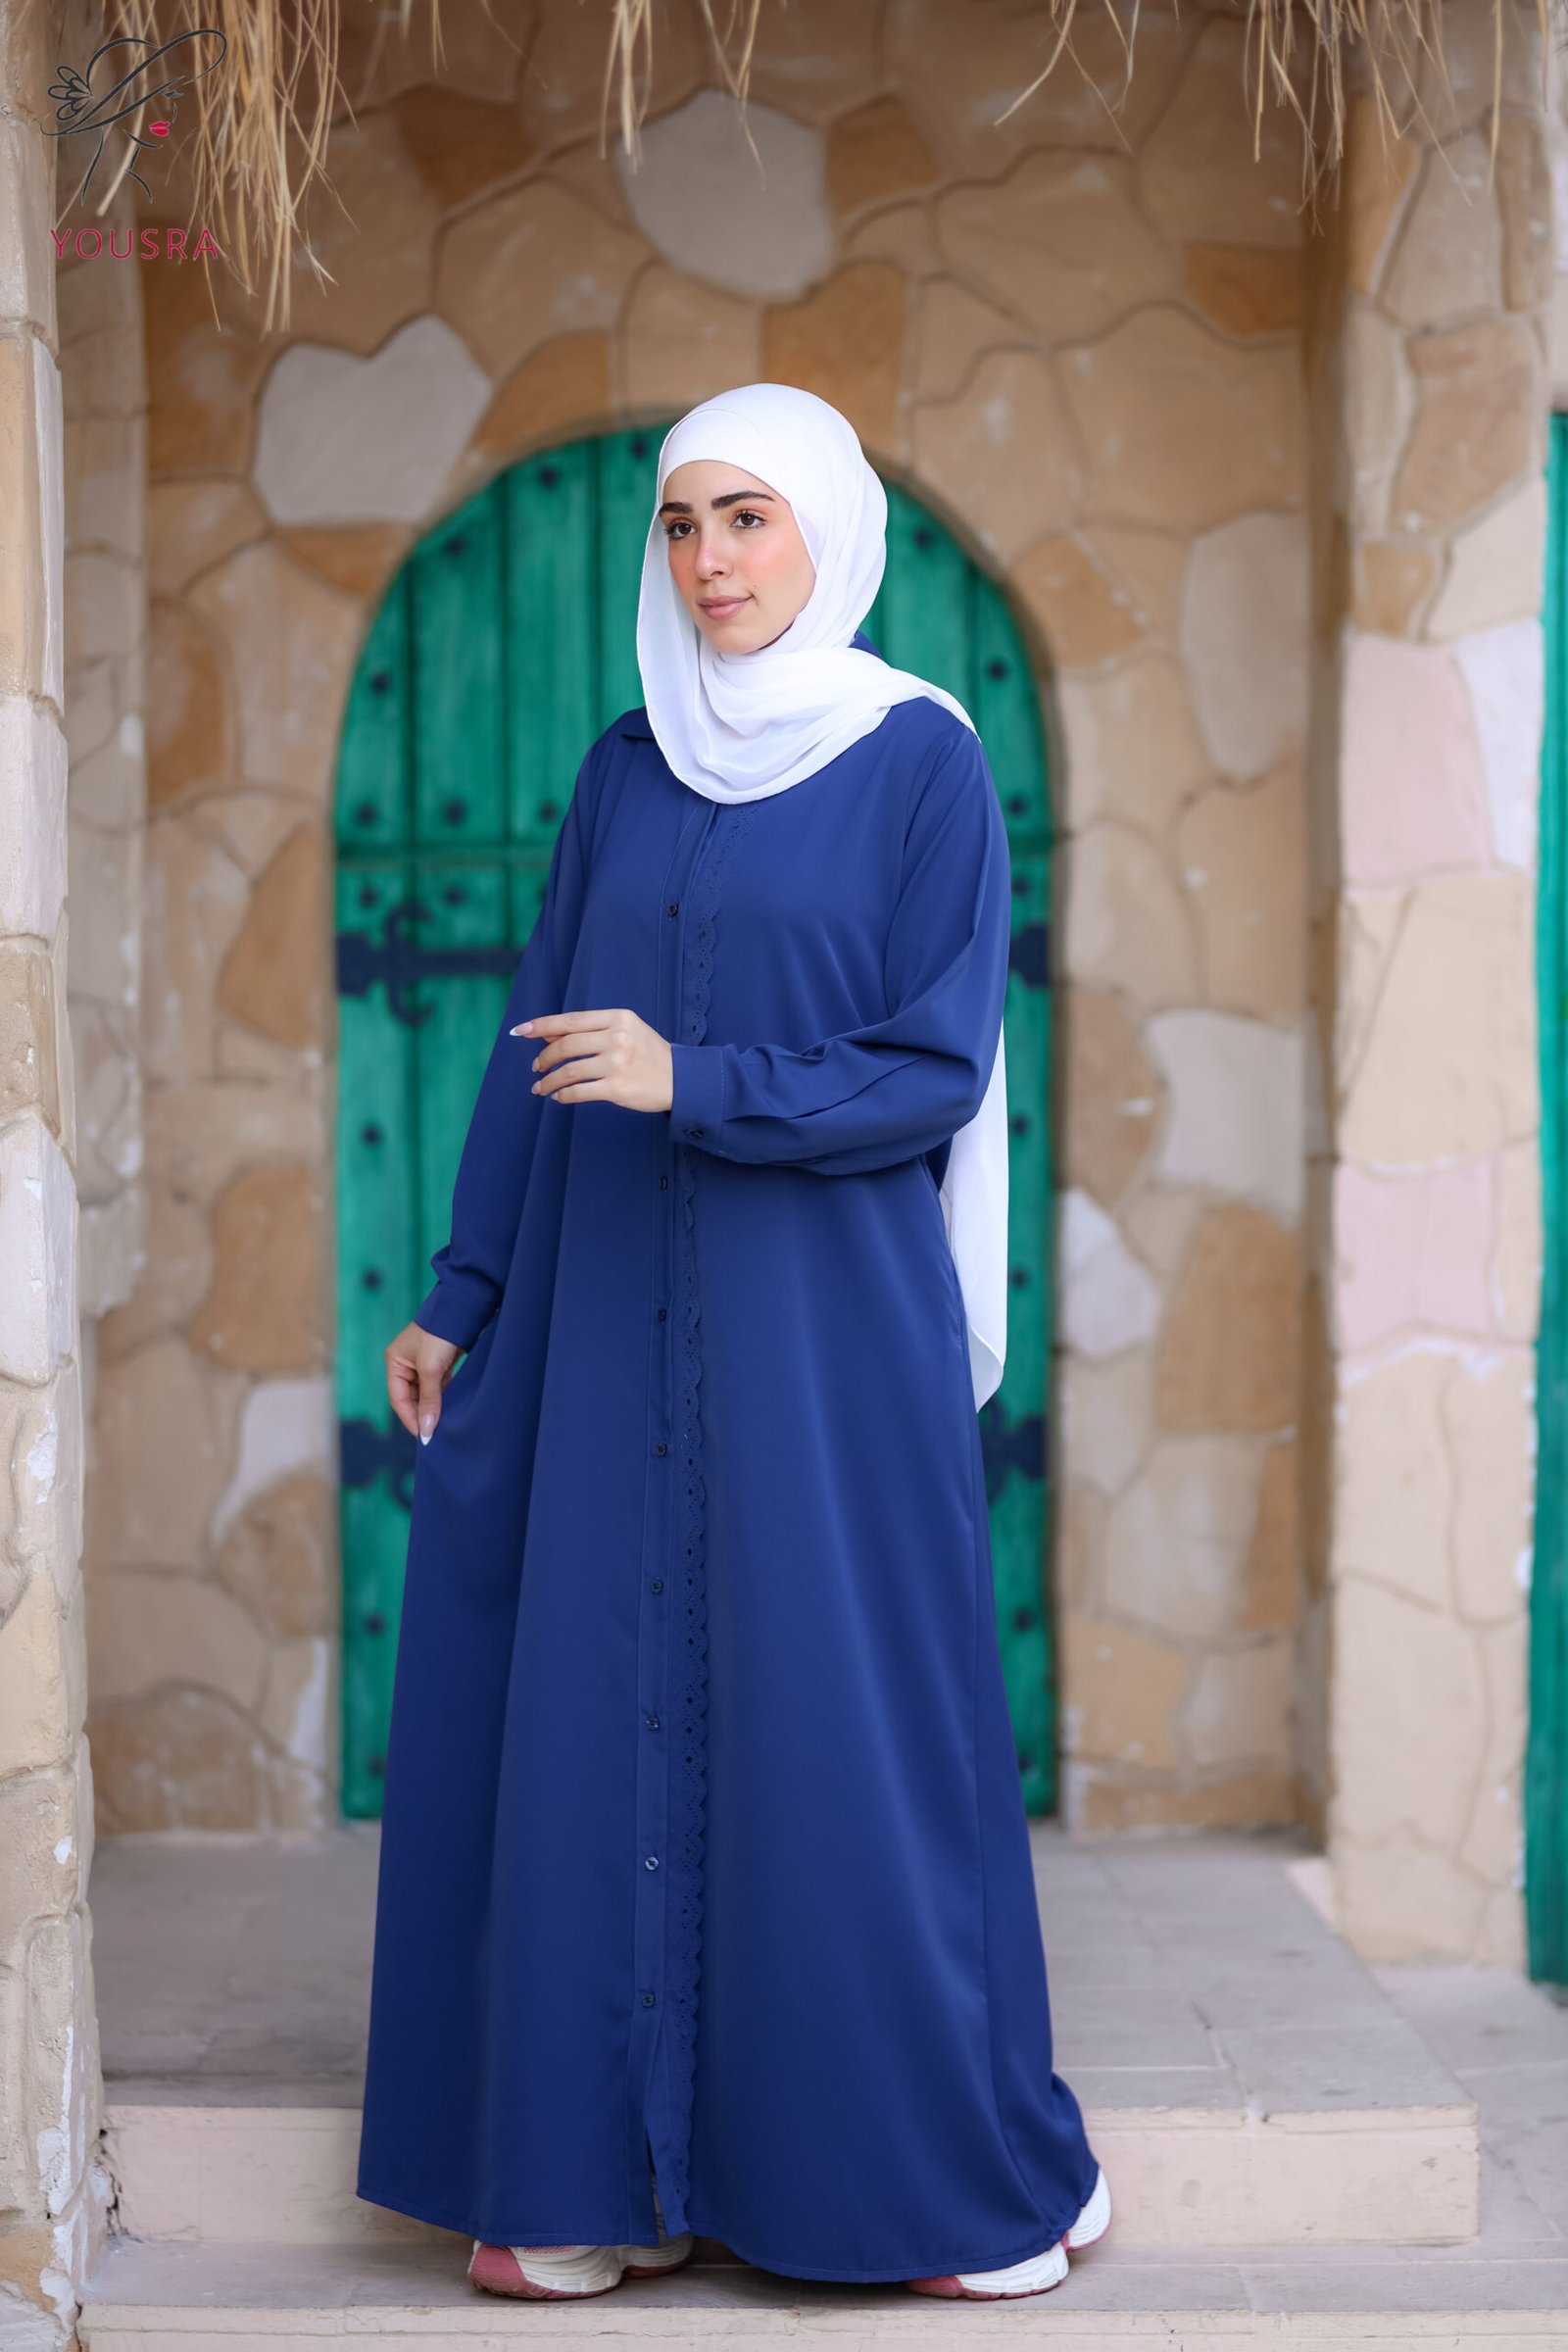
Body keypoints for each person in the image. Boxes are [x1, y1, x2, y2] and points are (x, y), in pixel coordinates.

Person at [355, 382, 1107, 2304]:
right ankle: (591, 2177)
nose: (708, 561)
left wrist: (696, 1079)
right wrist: (462, 1288)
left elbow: (929, 1068)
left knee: (830, 1731)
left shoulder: (918, 760)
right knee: (597, 1710)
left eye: (746, 518)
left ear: (826, 531)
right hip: (605, 1309)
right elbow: (539, 1040)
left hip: (825, 1334)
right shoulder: (626, 765)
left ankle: (910, 2181)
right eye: (681, 524)